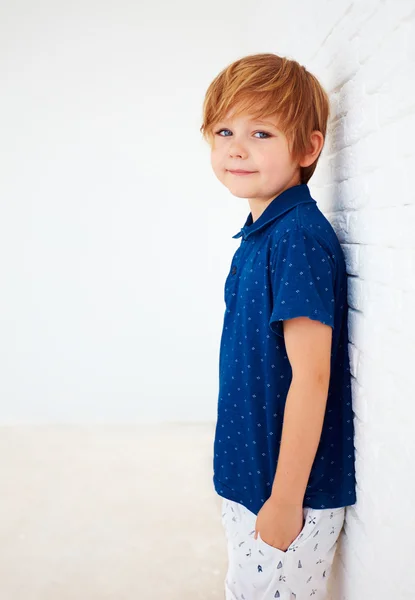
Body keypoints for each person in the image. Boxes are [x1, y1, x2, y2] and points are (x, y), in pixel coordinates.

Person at [200, 53, 357, 600]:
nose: (236, 147)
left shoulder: (296, 240)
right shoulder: (262, 232)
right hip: (252, 476)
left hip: (288, 491)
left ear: (309, 149)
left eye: (261, 132)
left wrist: (286, 498)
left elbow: (312, 378)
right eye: (224, 130)